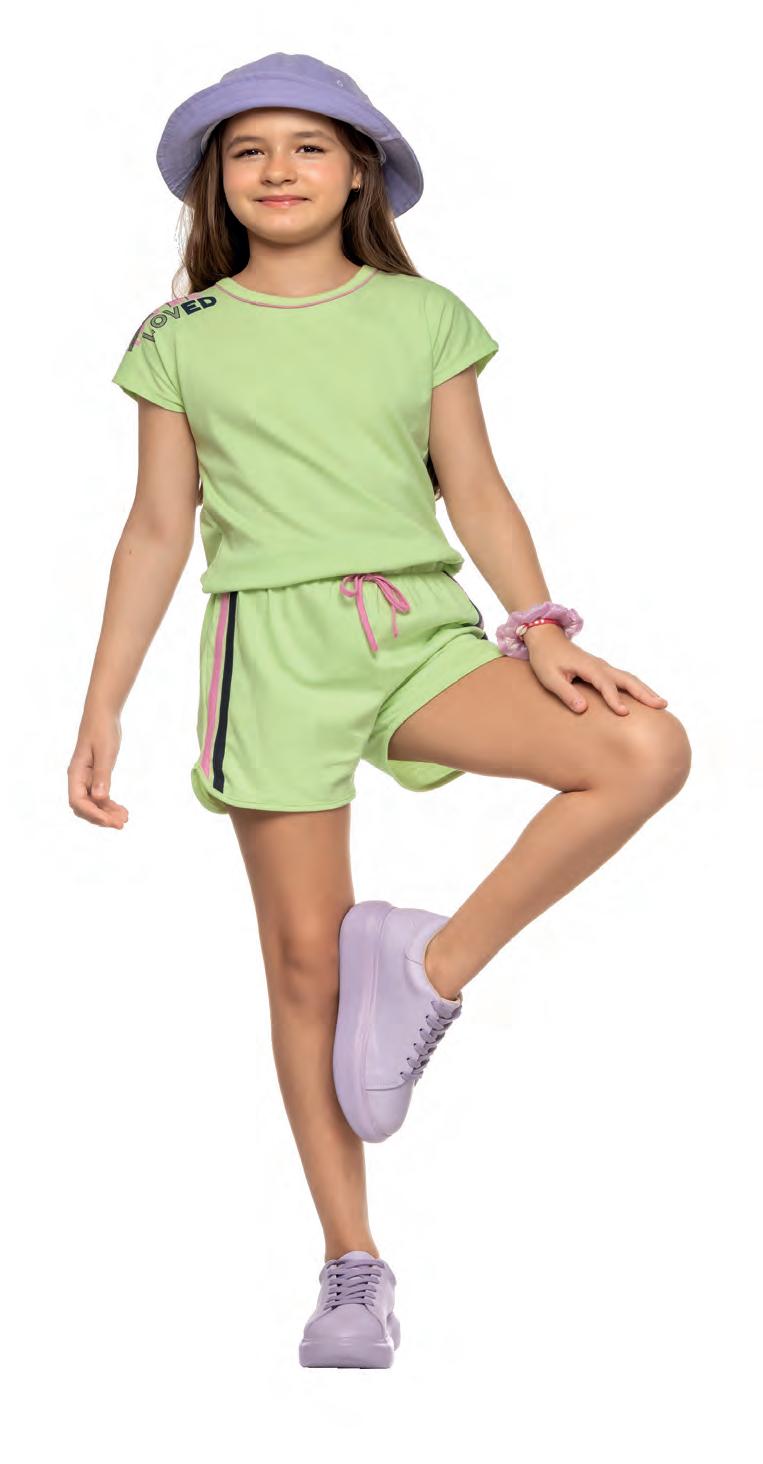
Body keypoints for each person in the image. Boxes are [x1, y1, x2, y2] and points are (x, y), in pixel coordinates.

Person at [68, 52, 692, 1370]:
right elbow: (155, 528)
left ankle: (427, 967)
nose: (278, 169)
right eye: (248, 151)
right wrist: (102, 702)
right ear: (216, 185)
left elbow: (478, 487)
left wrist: (541, 629)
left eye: (309, 145)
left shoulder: (425, 317)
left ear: (361, 171)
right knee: (303, 963)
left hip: (416, 632)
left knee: (642, 747)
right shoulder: (176, 339)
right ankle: (351, 1266)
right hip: (269, 652)